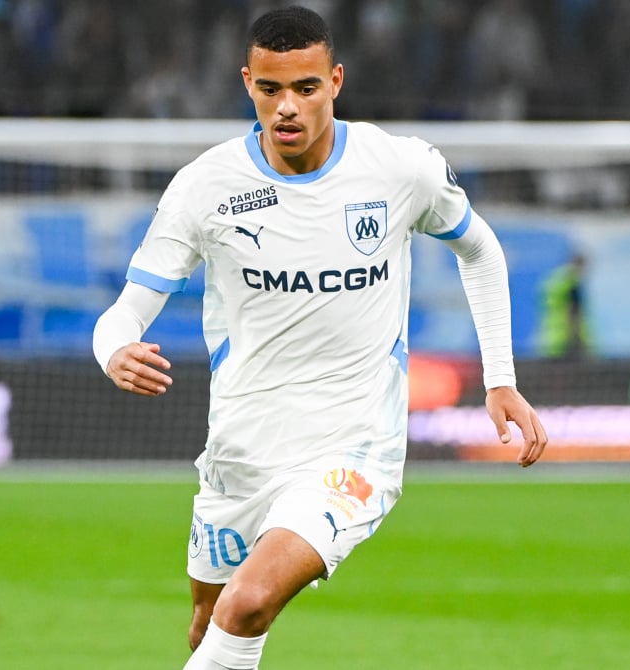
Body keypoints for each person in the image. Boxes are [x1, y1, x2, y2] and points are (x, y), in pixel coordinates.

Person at [92, 7, 548, 669]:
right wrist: (114, 350)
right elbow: (125, 312)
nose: (288, 106)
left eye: (306, 88)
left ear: (335, 81)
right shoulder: (205, 187)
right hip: (241, 448)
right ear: (247, 83)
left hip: (353, 444)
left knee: (247, 603)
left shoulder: (399, 168)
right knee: (208, 627)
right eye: (271, 88)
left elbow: (479, 249)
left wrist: (500, 378)